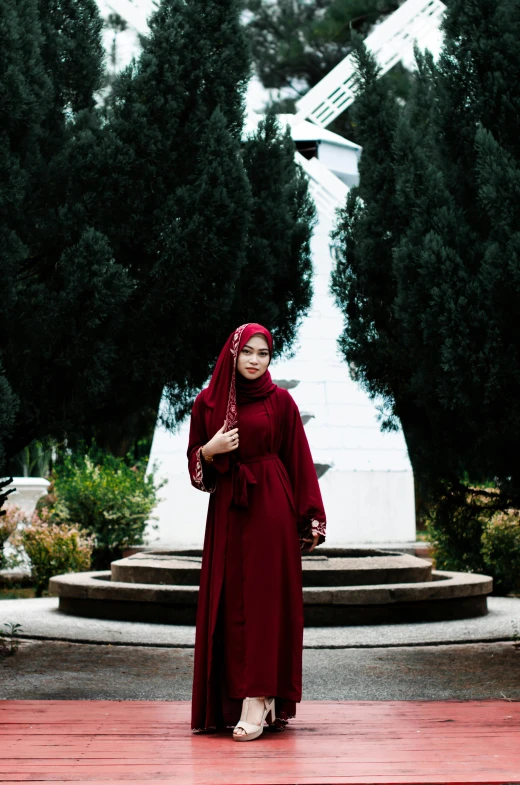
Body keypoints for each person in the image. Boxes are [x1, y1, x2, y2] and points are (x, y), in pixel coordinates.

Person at [187, 322, 326, 741]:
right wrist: (208, 452)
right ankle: (235, 700)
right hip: (228, 509)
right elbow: (198, 473)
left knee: (266, 606)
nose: (254, 360)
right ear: (232, 353)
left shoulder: (281, 402)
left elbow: (298, 459)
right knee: (229, 604)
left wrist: (311, 516)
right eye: (248, 352)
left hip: (270, 509)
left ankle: (259, 697)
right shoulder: (207, 404)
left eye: (263, 354)